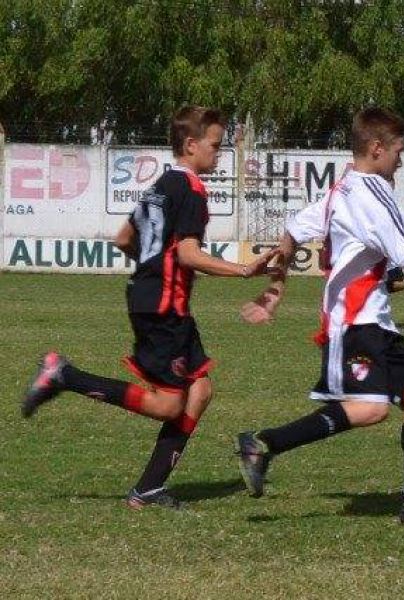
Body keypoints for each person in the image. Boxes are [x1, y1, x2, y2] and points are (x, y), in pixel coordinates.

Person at [235, 106, 404, 527]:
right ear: (376, 149)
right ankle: (263, 444)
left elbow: (293, 230)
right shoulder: (371, 192)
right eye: (398, 151)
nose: (400, 160)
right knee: (370, 410)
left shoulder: (343, 191)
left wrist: (276, 290)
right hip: (355, 323)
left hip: (377, 322)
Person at [21, 105, 279, 509]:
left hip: (152, 297)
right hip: (164, 306)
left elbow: (125, 238)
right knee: (168, 404)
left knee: (201, 389)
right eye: (214, 144)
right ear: (191, 145)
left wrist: (153, 264)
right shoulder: (191, 189)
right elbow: (191, 255)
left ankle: (149, 488)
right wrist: (244, 271)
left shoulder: (161, 185)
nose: (220, 151)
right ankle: (63, 375)